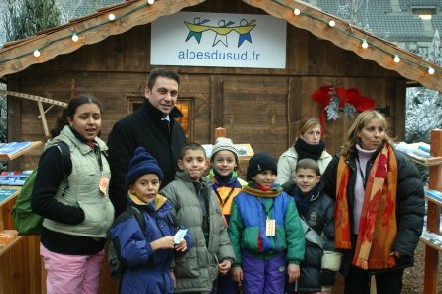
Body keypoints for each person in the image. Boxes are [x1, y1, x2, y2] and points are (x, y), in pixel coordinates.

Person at [322, 110, 425, 294]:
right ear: (358, 132)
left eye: (381, 129)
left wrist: (403, 245)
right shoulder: (341, 162)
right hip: (353, 243)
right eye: (371, 129)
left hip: (388, 244)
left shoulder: (399, 163)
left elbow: (413, 208)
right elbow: (326, 198)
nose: (377, 134)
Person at [31, 94, 114, 294]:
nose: (92, 122)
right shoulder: (58, 151)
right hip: (65, 246)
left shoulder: (99, 149)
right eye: (84, 116)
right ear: (70, 120)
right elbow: (40, 202)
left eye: (96, 116)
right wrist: (80, 216)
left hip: (94, 244)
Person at [107, 146, 191, 294]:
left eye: (154, 182)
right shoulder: (128, 218)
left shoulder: (165, 212)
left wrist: (184, 242)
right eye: (143, 183)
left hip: (164, 281)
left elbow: (183, 231)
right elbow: (128, 254)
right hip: (139, 284)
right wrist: (155, 245)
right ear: (132, 187)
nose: (150, 188)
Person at [107, 68, 186, 217]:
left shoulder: (178, 130)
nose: (169, 98)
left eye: (173, 93)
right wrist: (133, 219)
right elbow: (118, 182)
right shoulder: (125, 128)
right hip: (140, 219)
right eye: (162, 91)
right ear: (147, 92)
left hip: (172, 216)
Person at [161, 143, 235, 293]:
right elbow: (164, 232)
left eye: (199, 160)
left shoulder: (210, 192)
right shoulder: (170, 192)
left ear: (206, 164)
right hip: (185, 272)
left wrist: (226, 257)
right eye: (189, 160)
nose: (194, 164)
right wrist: (169, 269)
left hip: (210, 271)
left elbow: (220, 230)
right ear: (181, 164)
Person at [228, 152, 305, 294]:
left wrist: (295, 261)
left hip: (277, 259)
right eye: (263, 173)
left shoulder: (286, 200)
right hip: (251, 259)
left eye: (272, 173)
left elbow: (295, 232)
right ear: (253, 175)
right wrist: (236, 263)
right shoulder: (241, 200)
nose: (269, 177)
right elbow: (234, 234)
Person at [282, 159, 341, 294]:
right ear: (294, 177)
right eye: (301, 176)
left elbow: (333, 239)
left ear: (317, 179)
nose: (305, 180)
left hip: (316, 269)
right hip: (289, 265)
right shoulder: (285, 199)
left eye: (310, 176)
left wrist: (328, 272)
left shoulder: (327, 203)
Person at [207, 137, 247, 293]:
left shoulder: (243, 186)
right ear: (211, 162)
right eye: (220, 160)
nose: (224, 164)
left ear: (236, 163)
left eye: (229, 160)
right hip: (211, 241)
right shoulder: (205, 184)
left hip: (233, 242)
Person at [276, 118, 332, 185]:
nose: (315, 137)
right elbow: (280, 187)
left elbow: (330, 187)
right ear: (301, 135)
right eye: (311, 133)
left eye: (318, 133)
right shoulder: (288, 158)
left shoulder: (327, 158)